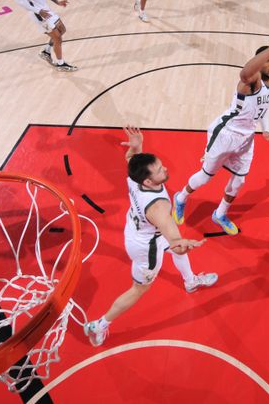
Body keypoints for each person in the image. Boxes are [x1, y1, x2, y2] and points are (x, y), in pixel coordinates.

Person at [83, 126, 217, 347]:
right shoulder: (159, 207)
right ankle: (100, 324)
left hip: (136, 229)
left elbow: (131, 159)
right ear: (148, 181)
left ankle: (190, 281)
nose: (165, 168)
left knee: (171, 247)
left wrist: (138, 148)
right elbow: (175, 242)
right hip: (147, 247)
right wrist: (184, 244)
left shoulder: (135, 177)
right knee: (139, 289)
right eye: (159, 170)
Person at [172, 13, 269, 235]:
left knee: (239, 182)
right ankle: (181, 197)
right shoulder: (250, 83)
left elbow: (265, 108)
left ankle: (220, 214)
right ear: (258, 63)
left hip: (246, 139)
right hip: (226, 133)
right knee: (204, 177)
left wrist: (266, 129)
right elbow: (244, 72)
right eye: (268, 59)